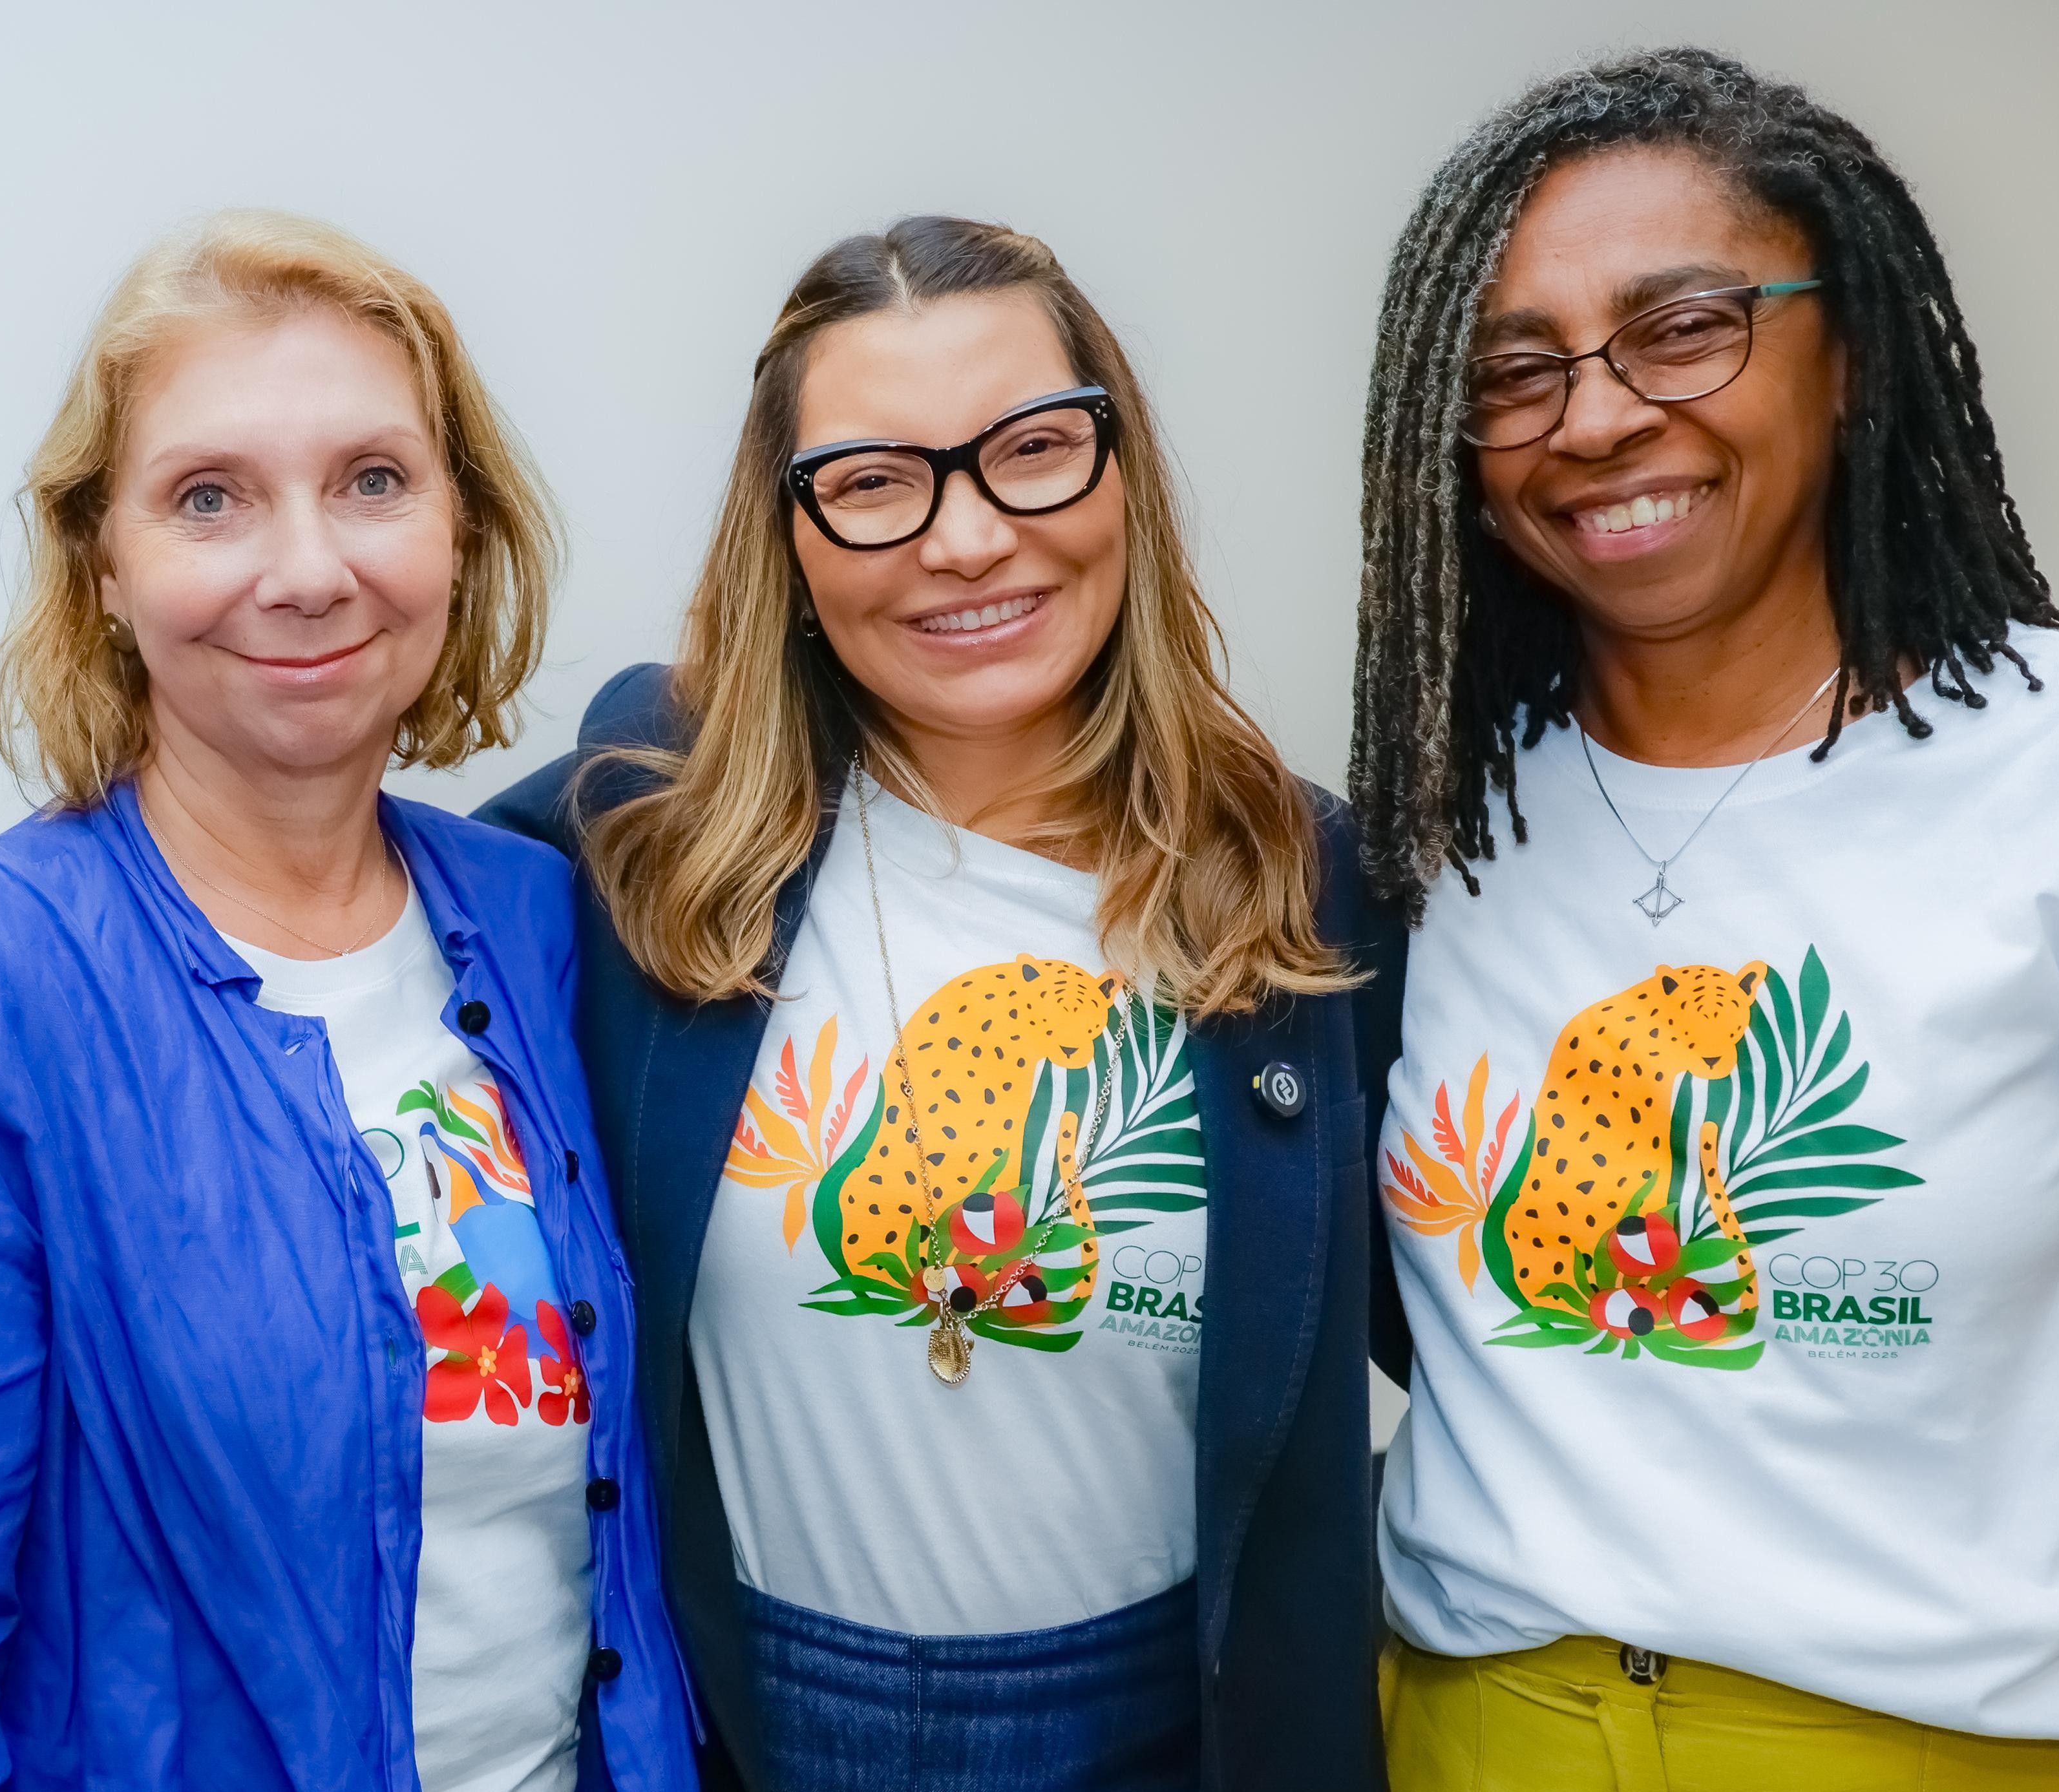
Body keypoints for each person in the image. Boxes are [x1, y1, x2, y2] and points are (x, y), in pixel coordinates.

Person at [1350, 49, 2059, 1791]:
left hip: (1954, 1744)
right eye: (1517, 370)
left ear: (1856, 350)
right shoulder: (1436, 822)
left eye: (1684, 328)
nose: (1595, 418)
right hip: (1467, 1726)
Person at [0, 213, 694, 1792]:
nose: (308, 570)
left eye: (374, 480)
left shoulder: (544, 923)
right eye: (208, 498)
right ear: (102, 562)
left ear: (461, 527)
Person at [481, 216, 1397, 1792]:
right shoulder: (646, 829)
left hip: (1171, 1729)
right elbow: (351, 933)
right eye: (875, 481)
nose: (966, 539)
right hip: (743, 1725)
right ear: (789, 534)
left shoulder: (1300, 879)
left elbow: (1484, 1341)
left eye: (1031, 449)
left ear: (1122, 472)